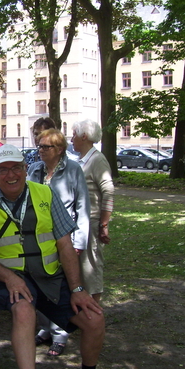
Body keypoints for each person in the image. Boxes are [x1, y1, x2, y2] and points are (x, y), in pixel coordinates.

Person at [0, 144, 111, 369]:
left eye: (16, 168)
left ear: (24, 169)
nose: (11, 175)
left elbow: (65, 243)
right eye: (4, 170)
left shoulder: (45, 194)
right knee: (24, 310)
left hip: (49, 278)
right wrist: (9, 277)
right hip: (5, 279)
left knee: (94, 317)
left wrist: (77, 289)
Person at [27, 129, 91, 357]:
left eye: (46, 147)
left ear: (60, 149)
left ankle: (60, 333)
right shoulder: (34, 169)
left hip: (66, 238)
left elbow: (82, 207)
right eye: (39, 146)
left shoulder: (73, 169)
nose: (41, 150)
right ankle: (46, 327)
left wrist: (79, 242)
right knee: (39, 284)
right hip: (39, 238)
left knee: (59, 287)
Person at [71, 120, 114, 303]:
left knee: (91, 267)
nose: (71, 139)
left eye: (74, 134)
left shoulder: (97, 160)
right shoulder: (83, 160)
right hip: (81, 221)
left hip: (92, 222)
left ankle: (95, 311)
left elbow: (108, 191)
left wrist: (104, 224)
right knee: (80, 269)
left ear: (84, 136)